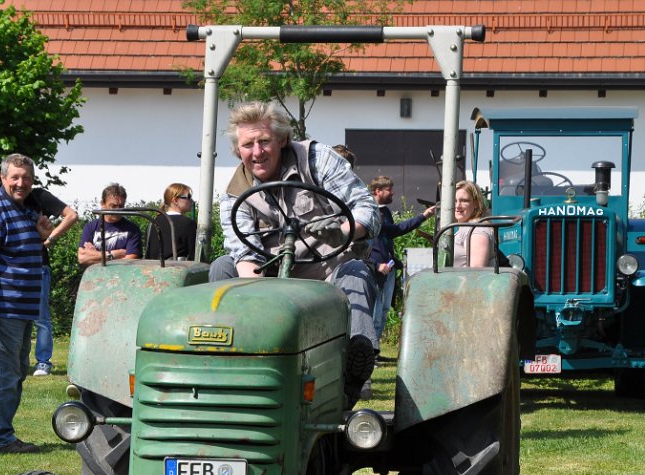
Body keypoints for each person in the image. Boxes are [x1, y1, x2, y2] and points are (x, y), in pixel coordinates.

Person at [209, 101, 380, 406]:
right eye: (248, 144)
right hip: (272, 277)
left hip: (329, 270)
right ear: (238, 151)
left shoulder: (316, 159)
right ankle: (225, 361)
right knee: (223, 268)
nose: (257, 151)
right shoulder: (234, 195)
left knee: (357, 272)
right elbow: (243, 253)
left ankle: (356, 366)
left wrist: (343, 231)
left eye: (264, 141)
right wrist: (261, 303)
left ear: (282, 140)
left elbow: (367, 209)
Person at [0, 153, 46, 454]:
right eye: (14, 177)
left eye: (26, 178)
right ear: (3, 178)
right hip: (3, 307)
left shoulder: (24, 207)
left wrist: (42, 234)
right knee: (3, 373)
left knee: (15, 371)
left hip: (23, 306)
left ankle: (2, 433)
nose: (21, 183)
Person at [367, 175, 437, 343]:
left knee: (383, 310)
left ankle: (375, 348)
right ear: (378, 191)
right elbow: (395, 230)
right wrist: (423, 216)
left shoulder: (385, 211)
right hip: (377, 268)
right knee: (375, 311)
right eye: (389, 189)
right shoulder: (371, 212)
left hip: (389, 267)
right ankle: (369, 347)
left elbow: (387, 238)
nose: (393, 193)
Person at [31, 189, 78, 377]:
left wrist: (49, 239)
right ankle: (17, 362)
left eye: (26, 176)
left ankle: (43, 362)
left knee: (41, 317)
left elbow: (72, 215)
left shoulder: (39, 196)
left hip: (38, 264)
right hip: (12, 266)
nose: (20, 182)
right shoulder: (3, 198)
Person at [78, 183, 143, 266]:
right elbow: (82, 258)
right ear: (103, 204)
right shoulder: (91, 227)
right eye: (113, 206)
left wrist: (95, 255)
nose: (117, 210)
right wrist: (114, 254)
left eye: (121, 206)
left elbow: (131, 260)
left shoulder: (132, 229)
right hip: (94, 277)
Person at [146, 183, 197, 261]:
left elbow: (149, 253)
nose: (192, 201)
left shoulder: (153, 222)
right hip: (177, 269)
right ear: (175, 200)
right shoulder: (188, 224)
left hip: (153, 269)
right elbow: (194, 255)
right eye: (189, 197)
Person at [451, 180, 496, 267]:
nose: (457, 206)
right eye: (455, 201)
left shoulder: (477, 230)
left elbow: (476, 272)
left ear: (476, 203)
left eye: (464, 201)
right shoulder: (465, 228)